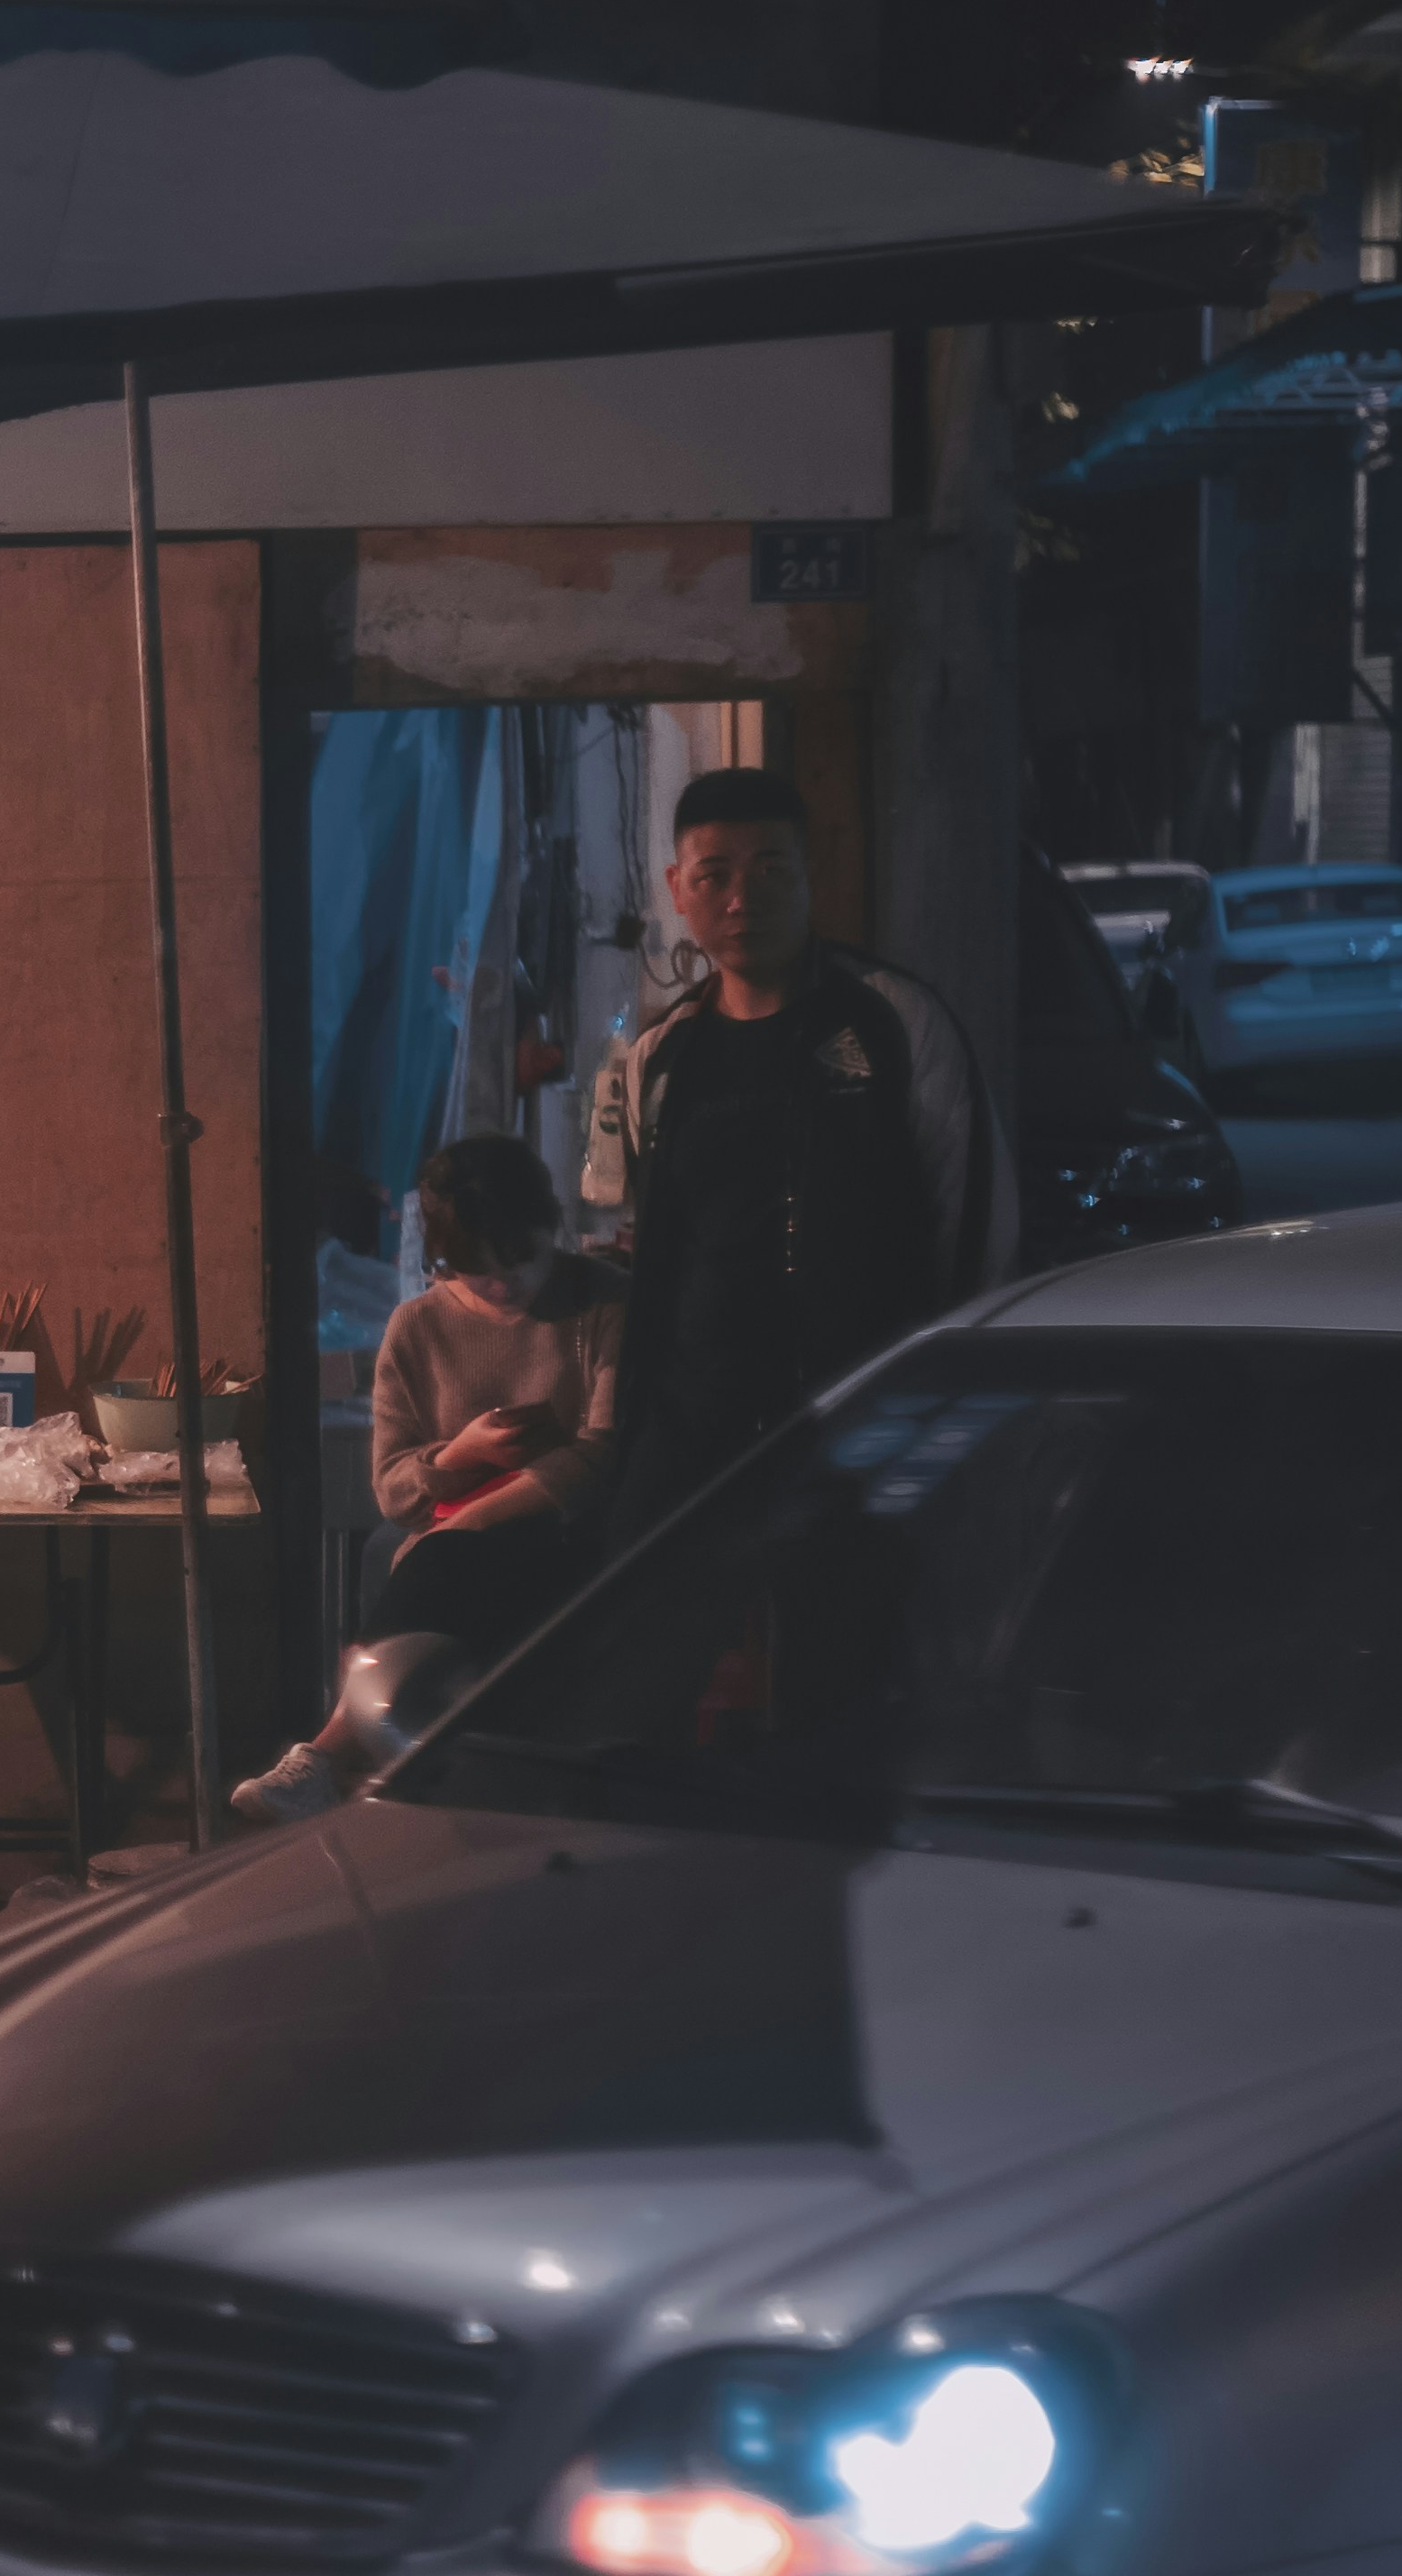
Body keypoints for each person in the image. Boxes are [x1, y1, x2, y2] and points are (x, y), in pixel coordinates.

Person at [580, 767, 1005, 1534]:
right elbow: (654, 1254)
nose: (743, 899)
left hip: (862, 1412)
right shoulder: (658, 1059)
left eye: (772, 869)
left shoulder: (896, 1023)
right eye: (714, 876)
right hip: (694, 1429)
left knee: (842, 1637)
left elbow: (972, 1224)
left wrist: (933, 1399)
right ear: (678, 888)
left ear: (813, 872)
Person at [230, 1132, 619, 1824]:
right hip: (451, 1546)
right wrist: (460, 1454)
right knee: (428, 1560)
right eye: (479, 1272)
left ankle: (328, 1756)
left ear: (549, 1227)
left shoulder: (601, 1304)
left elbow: (602, 1452)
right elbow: (394, 1489)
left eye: (522, 1260)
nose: (506, 1288)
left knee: (441, 1561)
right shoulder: (417, 1328)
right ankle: (360, 1769)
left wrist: (472, 1515)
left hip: (562, 1529)